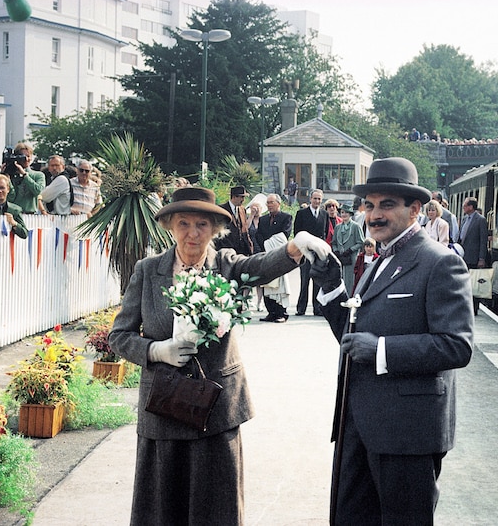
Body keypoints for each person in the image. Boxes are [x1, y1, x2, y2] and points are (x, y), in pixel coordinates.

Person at [109, 186, 331, 525]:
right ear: (170, 226)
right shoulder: (148, 270)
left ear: (215, 229)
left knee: (217, 510)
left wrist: (293, 247)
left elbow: (260, 266)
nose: (192, 233)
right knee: (161, 510)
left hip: (215, 412)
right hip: (163, 409)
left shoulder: (226, 265)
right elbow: (119, 336)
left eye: (202, 225)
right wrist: (156, 351)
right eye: (183, 224)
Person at [311, 156, 474, 524]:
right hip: (358, 423)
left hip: (407, 432)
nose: (374, 215)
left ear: (415, 209)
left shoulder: (440, 263)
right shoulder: (379, 259)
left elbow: (457, 345)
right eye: (369, 205)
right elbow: (354, 338)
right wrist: (331, 285)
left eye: (387, 205)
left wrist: (381, 350)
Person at [256, 194, 292, 323]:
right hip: (266, 255)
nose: (269, 205)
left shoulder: (286, 217)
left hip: (279, 256)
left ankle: (281, 313)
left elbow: (285, 234)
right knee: (267, 283)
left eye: (271, 202)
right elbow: (258, 235)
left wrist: (271, 245)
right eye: (267, 203)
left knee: (279, 284)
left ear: (278, 203)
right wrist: (266, 246)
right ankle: (271, 312)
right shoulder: (263, 219)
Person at [293, 188, 327, 316]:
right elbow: (297, 234)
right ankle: (301, 308)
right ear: (310, 199)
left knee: (317, 282)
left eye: (319, 199)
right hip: (305, 252)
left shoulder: (324, 214)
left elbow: (324, 234)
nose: (317, 201)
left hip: (318, 253)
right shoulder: (302, 213)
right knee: (305, 280)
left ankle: (317, 308)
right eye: (315, 198)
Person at [459, 196, 489, 314]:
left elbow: (483, 240)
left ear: (471, 207)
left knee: (474, 284)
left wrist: (481, 258)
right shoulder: (464, 219)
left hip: (474, 257)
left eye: (465, 205)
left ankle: (474, 308)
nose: (463, 207)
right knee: (464, 283)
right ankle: (465, 306)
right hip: (464, 257)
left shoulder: (480, 220)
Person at [3, 142, 45, 214]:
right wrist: (4, 176)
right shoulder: (11, 175)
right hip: (13, 213)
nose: (26, 159)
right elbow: (9, 197)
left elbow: (37, 191)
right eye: (23, 156)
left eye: (28, 156)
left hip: (30, 214)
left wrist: (25, 175)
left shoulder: (38, 175)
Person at [332, 204, 364, 294]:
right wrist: (336, 251)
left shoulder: (355, 226)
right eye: (342, 212)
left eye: (346, 212)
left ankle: (350, 297)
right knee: (339, 278)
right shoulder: (338, 227)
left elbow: (361, 242)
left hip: (351, 257)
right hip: (340, 257)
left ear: (350, 214)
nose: (344, 214)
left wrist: (351, 249)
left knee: (350, 279)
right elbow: (334, 242)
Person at [214, 186, 253, 255]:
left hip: (241, 250)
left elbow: (244, 229)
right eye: (242, 197)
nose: (243, 200)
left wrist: (249, 246)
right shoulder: (221, 209)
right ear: (234, 197)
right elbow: (218, 231)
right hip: (227, 250)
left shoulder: (242, 209)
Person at [246, 201, 265, 311]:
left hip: (261, 250)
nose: (256, 210)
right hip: (250, 250)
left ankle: (259, 302)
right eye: (254, 208)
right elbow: (246, 229)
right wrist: (251, 215)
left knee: (261, 278)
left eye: (258, 208)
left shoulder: (263, 220)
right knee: (248, 277)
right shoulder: (249, 219)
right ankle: (247, 300)